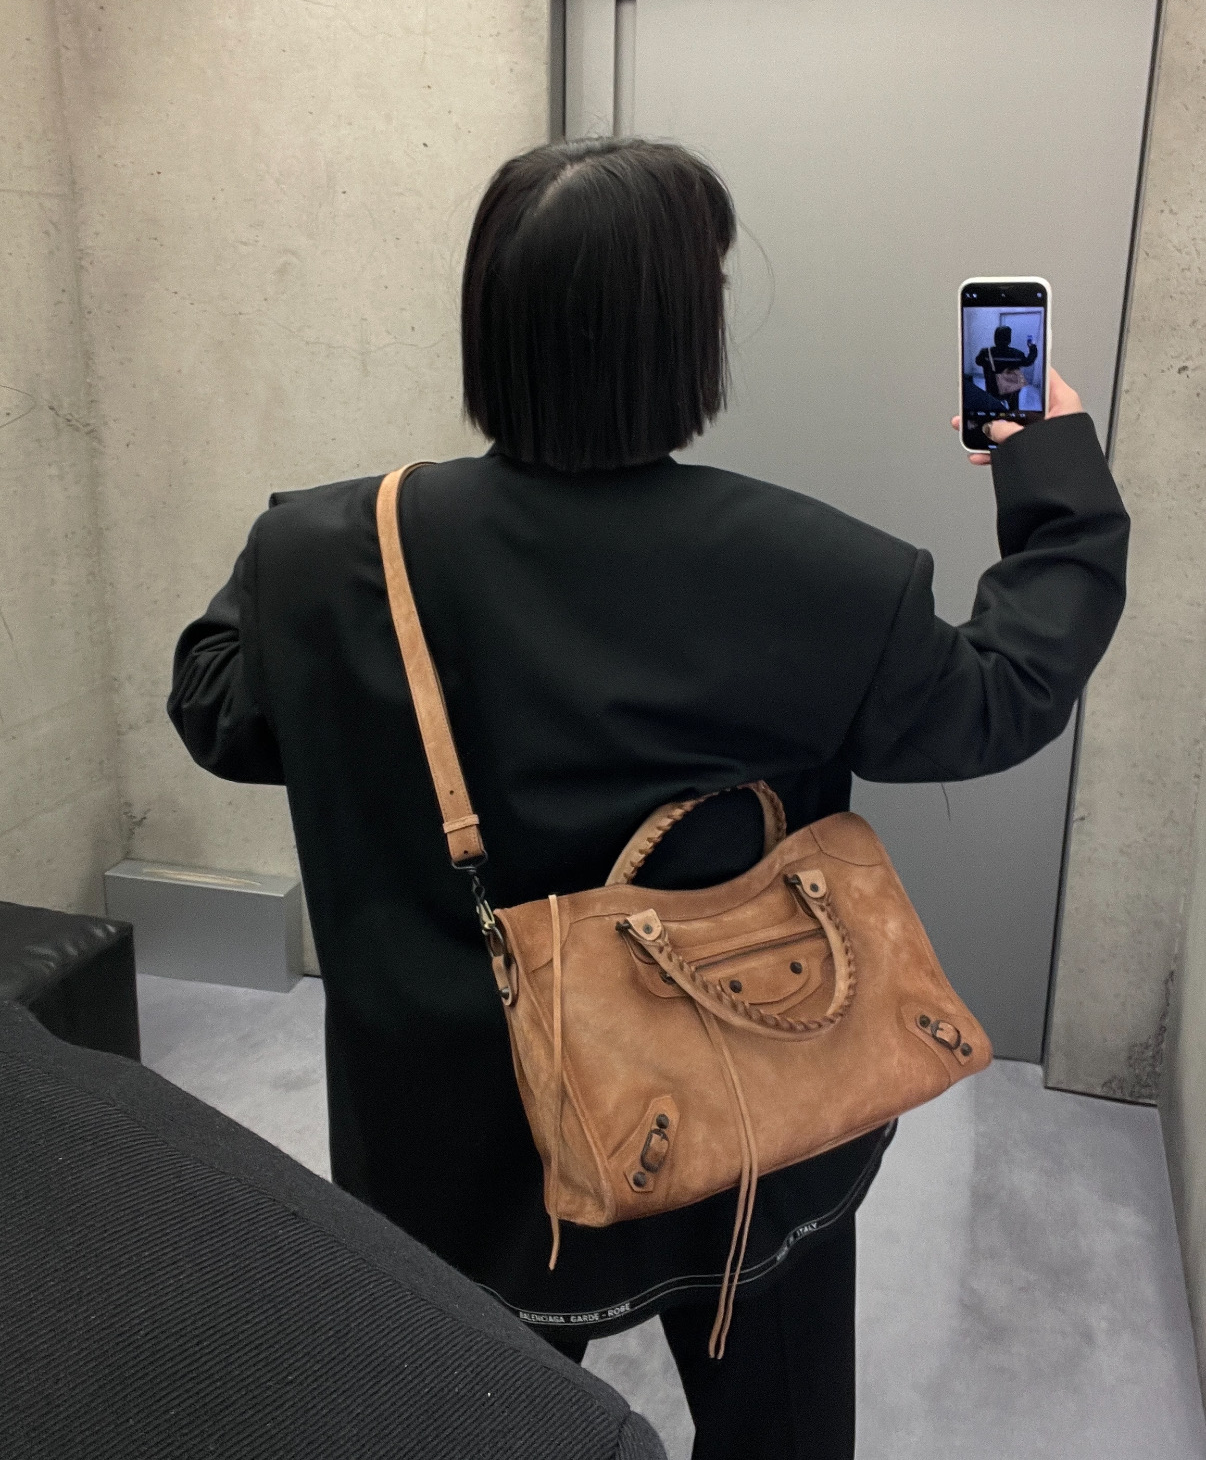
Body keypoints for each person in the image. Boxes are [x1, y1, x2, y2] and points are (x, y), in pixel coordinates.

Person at [168, 137, 1129, 1460]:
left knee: (475, 1423)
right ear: (684, 338)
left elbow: (218, 707)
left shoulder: (333, 551)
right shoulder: (816, 574)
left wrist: (303, 579)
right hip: (750, 1110)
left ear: (490, 319)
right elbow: (1002, 694)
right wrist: (1047, 465)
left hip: (463, 1155)